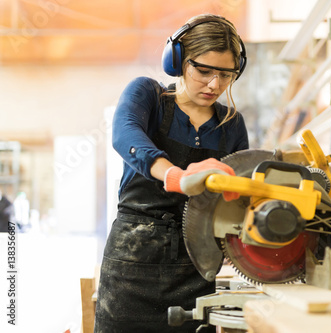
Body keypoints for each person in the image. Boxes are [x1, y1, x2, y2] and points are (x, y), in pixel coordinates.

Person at [94, 13, 249, 332]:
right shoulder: (149, 96)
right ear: (178, 61)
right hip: (131, 265)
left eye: (226, 75)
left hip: (195, 268)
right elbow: (125, 134)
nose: (214, 85)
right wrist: (175, 176)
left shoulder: (231, 124)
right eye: (204, 71)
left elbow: (237, 199)